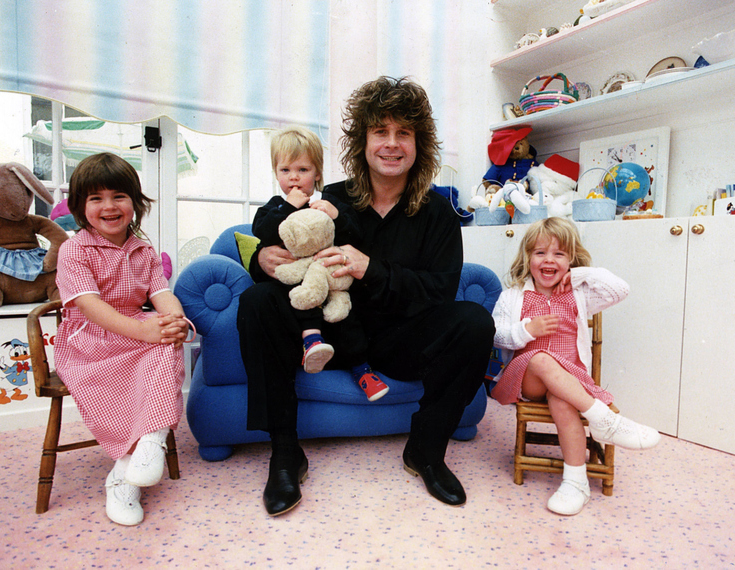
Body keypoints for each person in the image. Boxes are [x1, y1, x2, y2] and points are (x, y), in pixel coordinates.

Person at [237, 76, 495, 515]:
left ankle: (427, 451)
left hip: (400, 342)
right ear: (363, 141)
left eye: (404, 133)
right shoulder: (331, 198)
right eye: (381, 132)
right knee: (256, 302)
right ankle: (285, 452)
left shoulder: (439, 213)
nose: (391, 144)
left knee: (474, 321)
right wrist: (258, 258)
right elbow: (284, 241)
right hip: (333, 335)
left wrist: (371, 268)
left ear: (420, 143)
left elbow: (440, 292)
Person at [491, 216, 660, 516]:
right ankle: (603, 419)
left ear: (571, 259)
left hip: (570, 380)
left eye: (559, 254)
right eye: (540, 252)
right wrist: (527, 330)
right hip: (527, 377)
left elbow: (620, 289)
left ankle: (575, 482)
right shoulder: (513, 295)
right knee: (542, 358)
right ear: (527, 257)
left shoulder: (578, 294)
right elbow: (496, 335)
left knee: (563, 399)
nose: (549, 260)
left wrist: (581, 275)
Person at [54, 153, 190, 526]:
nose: (109, 206)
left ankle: (137, 457)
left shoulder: (143, 249)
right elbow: (91, 307)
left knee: (167, 342)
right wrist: (147, 330)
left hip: (132, 330)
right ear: (81, 207)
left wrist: (174, 319)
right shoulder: (74, 250)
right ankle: (139, 454)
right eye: (96, 198)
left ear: (135, 202)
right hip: (90, 340)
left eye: (119, 196)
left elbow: (161, 294)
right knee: (156, 340)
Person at [252, 125, 388, 400]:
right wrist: (289, 207)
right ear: (276, 173)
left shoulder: (327, 203)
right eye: (285, 170)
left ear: (317, 173)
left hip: (330, 281)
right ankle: (311, 342)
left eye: (303, 170)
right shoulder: (276, 206)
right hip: (297, 283)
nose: (294, 179)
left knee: (347, 319)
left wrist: (336, 215)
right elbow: (263, 231)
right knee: (302, 301)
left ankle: (362, 370)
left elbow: (354, 235)